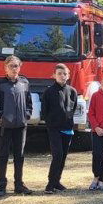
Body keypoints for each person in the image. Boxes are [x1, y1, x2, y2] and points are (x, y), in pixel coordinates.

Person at [0, 55, 33, 196]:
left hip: (21, 126)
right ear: (5, 67)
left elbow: (29, 102)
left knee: (19, 156)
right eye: (11, 66)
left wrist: (27, 115)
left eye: (16, 66)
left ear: (20, 67)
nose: (14, 69)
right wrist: (0, 116)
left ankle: (19, 185)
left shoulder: (25, 82)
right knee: (3, 155)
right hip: (5, 127)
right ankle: (2, 186)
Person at [40, 64, 78, 194]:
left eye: (65, 73)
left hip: (67, 128)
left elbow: (72, 109)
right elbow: (44, 111)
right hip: (54, 129)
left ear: (68, 75)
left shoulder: (72, 91)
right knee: (57, 155)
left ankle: (57, 181)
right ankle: (50, 184)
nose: (62, 76)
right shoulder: (49, 92)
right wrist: (51, 124)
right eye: (59, 73)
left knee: (63, 157)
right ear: (54, 75)